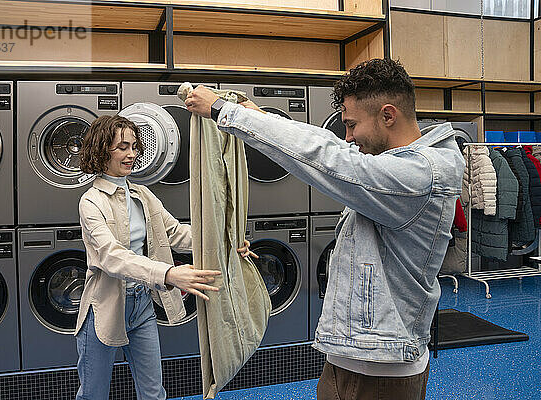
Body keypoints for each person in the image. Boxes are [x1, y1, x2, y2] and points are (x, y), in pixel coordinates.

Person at [185, 59, 465, 400]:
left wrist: (226, 114)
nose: (348, 137)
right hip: (350, 356)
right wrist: (260, 116)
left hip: (382, 370)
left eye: (351, 124)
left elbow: (332, 159)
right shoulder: (393, 163)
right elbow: (333, 147)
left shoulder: (420, 175)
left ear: (388, 115)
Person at [74, 114, 255, 400]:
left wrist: (227, 242)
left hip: (141, 305)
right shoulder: (91, 201)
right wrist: (168, 274)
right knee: (93, 394)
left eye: (134, 147)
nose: (131, 154)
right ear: (101, 149)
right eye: (122, 147)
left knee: (153, 392)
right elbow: (112, 257)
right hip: (104, 308)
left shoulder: (143, 195)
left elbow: (175, 233)